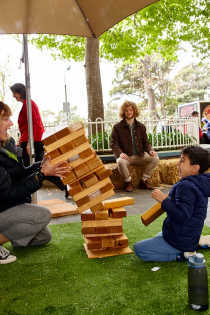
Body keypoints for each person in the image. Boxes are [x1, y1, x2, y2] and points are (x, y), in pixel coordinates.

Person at [0, 101, 70, 264]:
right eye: (5, 119)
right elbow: (8, 194)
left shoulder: (5, 146)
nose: (11, 123)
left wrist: (41, 165)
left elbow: (19, 174)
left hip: (7, 207)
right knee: (43, 215)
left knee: (44, 237)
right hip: (3, 205)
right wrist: (41, 176)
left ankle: (8, 235)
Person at [134, 146, 210, 262]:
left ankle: (182, 255)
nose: (178, 164)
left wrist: (164, 200)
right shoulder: (199, 183)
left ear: (195, 168)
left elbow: (182, 215)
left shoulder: (186, 186)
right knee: (162, 234)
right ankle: (195, 243)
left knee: (139, 249)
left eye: (183, 160)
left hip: (181, 240)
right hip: (188, 234)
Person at [111, 100, 159, 192]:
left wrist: (150, 150)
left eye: (131, 110)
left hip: (140, 155)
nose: (129, 112)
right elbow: (114, 143)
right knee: (120, 161)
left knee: (155, 159)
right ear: (123, 112)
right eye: (126, 110)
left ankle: (143, 180)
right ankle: (128, 182)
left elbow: (146, 142)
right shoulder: (117, 127)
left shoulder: (141, 126)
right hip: (127, 156)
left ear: (134, 111)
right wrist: (120, 153)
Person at [10, 83, 44, 166]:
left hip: (32, 142)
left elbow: (35, 124)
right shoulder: (27, 104)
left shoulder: (28, 104)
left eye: (14, 93)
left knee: (31, 167)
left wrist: (29, 143)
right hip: (30, 140)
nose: (13, 96)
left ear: (20, 92)